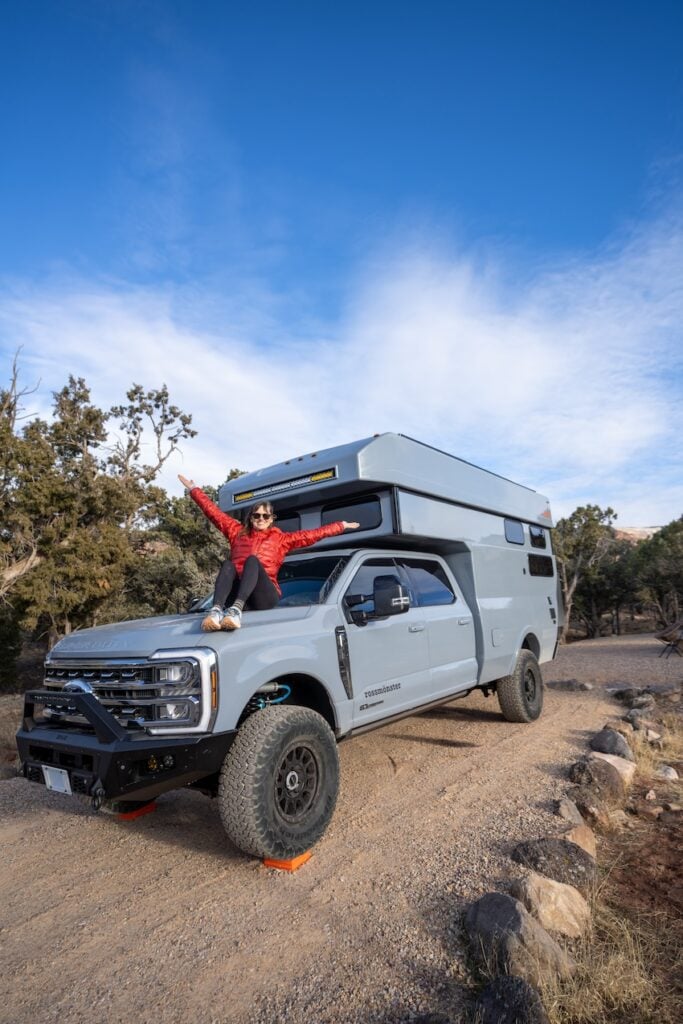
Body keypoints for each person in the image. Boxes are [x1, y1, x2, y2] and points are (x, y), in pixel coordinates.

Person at [178, 474, 360, 631]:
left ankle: (235, 611)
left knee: (252, 561)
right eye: (256, 515)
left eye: (265, 516)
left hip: (264, 597)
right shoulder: (236, 531)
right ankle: (216, 610)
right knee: (228, 565)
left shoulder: (281, 539)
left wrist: (341, 525)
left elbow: (312, 535)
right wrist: (194, 490)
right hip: (239, 592)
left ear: (271, 519)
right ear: (251, 517)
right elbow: (214, 513)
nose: (261, 519)